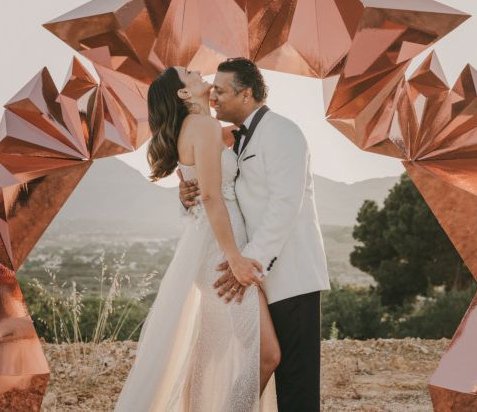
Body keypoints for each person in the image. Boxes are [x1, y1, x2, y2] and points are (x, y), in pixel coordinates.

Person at [115, 65, 280, 411]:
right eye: (190, 73)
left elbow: (207, 184)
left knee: (210, 353)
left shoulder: (205, 129)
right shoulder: (202, 126)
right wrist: (234, 257)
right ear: (184, 94)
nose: (198, 71)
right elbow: (209, 197)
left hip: (213, 247)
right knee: (266, 354)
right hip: (221, 253)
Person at [180, 58, 330, 412]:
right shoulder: (234, 139)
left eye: (220, 90)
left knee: (296, 383)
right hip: (258, 277)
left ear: (246, 94)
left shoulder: (282, 132)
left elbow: (285, 204)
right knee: (263, 369)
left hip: (290, 274)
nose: (213, 97)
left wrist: (249, 263)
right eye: (211, 90)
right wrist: (187, 191)